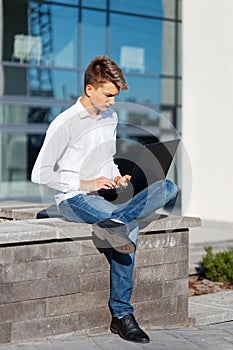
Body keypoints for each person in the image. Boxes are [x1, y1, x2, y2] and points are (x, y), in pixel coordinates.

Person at [31, 55, 178, 344]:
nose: (113, 101)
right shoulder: (65, 123)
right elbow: (40, 173)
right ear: (90, 89)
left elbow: (106, 159)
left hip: (106, 194)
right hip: (74, 198)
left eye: (115, 96)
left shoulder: (111, 117)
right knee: (130, 229)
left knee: (168, 187)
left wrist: (118, 176)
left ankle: (113, 222)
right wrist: (87, 183)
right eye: (108, 95)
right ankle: (122, 315)